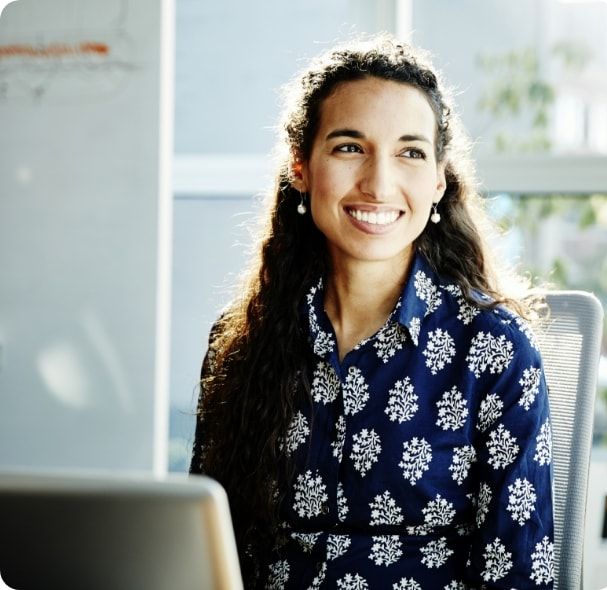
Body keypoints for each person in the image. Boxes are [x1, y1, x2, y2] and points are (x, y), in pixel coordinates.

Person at [190, 34, 554, 589]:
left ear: (438, 182)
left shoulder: (494, 348)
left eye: (410, 152)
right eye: (349, 147)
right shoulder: (241, 339)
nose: (379, 183)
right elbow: (203, 547)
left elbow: (520, 574)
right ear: (300, 168)